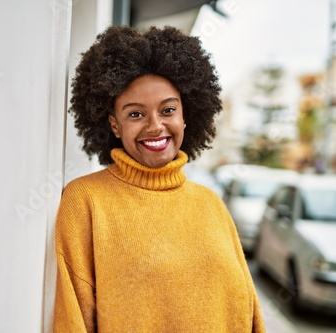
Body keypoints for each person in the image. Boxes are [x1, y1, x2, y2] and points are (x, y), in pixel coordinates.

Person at [53, 25, 265, 333]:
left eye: (168, 110)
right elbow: (72, 319)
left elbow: (249, 311)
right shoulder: (85, 201)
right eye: (135, 114)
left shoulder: (210, 204)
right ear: (114, 125)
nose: (155, 126)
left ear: (184, 116)